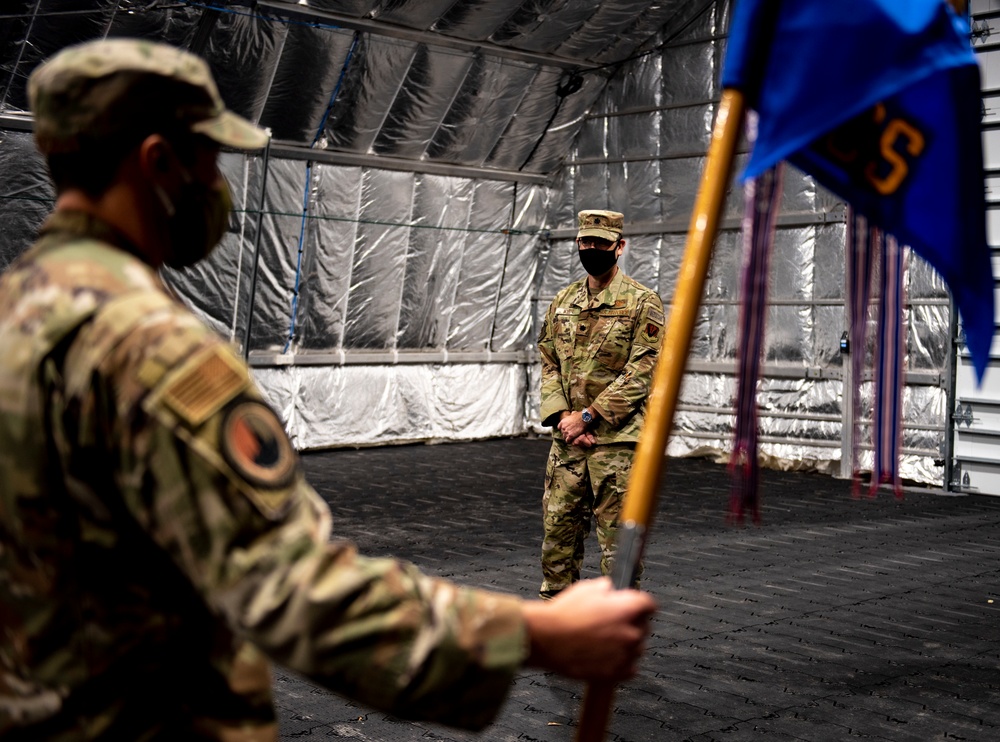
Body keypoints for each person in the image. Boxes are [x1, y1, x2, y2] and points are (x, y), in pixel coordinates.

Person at [0, 39, 656, 740]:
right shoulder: (149, 349)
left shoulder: (18, 314)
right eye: (208, 159)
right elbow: (291, 588)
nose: (216, 185)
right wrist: (533, 636)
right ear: (159, 161)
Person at [537, 210, 665, 600]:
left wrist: (588, 418)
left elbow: (641, 373)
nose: (591, 249)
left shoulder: (643, 302)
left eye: (601, 243)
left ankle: (615, 631)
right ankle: (556, 625)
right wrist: (564, 419)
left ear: (619, 247)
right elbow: (548, 361)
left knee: (618, 551)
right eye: (585, 242)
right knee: (557, 543)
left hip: (617, 447)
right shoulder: (563, 301)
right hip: (568, 446)